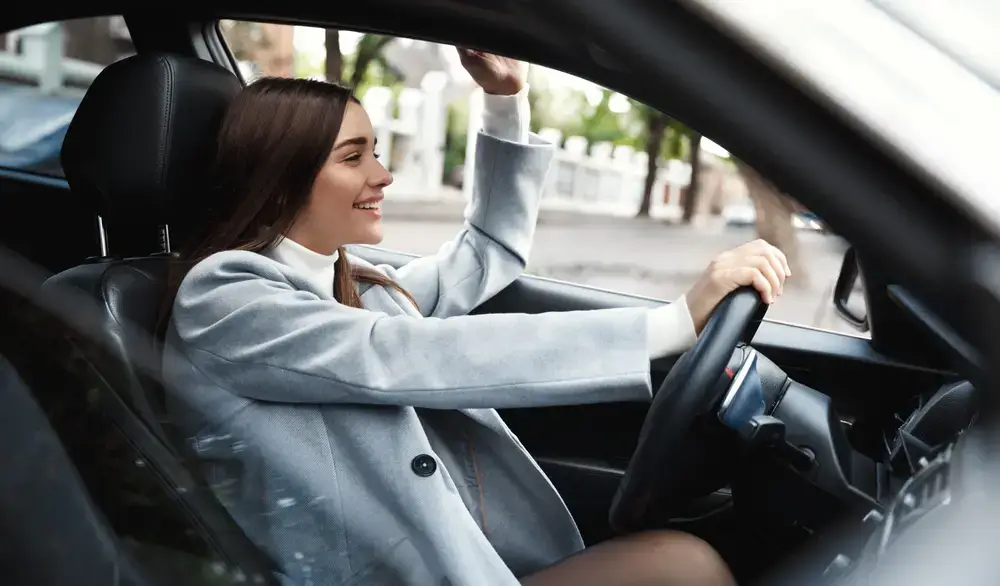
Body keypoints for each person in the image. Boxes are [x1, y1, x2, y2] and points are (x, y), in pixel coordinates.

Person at [160, 48, 789, 586]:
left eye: (375, 152)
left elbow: (486, 251)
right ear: (280, 181)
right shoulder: (224, 298)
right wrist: (670, 325)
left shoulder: (358, 284)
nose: (384, 174)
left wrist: (504, 101)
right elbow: (400, 355)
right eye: (354, 158)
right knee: (685, 566)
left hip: (463, 564)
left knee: (684, 561)